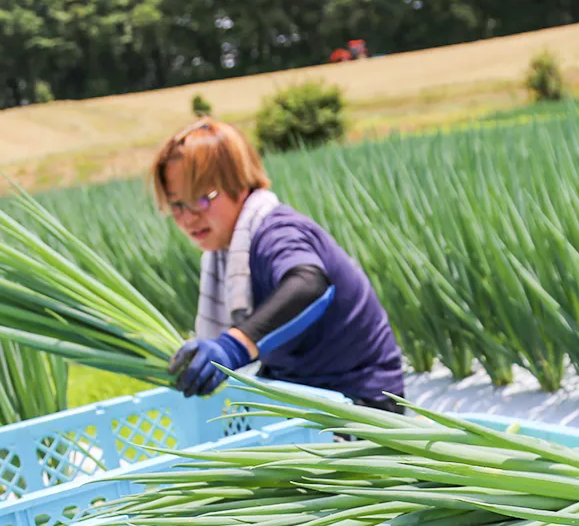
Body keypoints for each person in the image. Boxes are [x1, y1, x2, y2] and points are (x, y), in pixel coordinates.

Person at [151, 118, 405, 413]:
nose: (187, 218)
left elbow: (310, 284)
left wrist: (232, 348)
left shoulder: (276, 232)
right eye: (177, 205)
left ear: (239, 183)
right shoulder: (228, 247)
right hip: (300, 390)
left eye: (201, 199)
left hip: (361, 401)